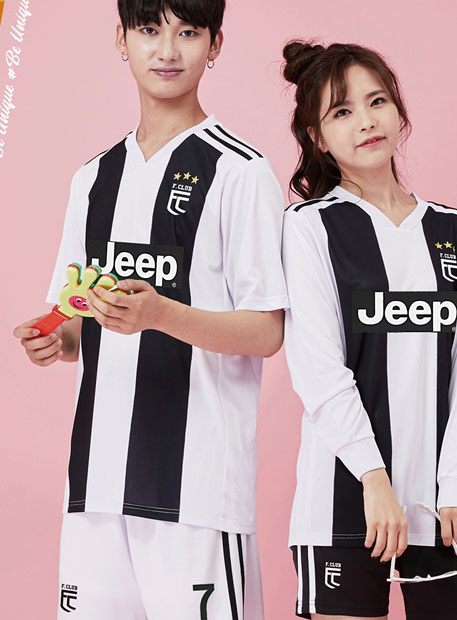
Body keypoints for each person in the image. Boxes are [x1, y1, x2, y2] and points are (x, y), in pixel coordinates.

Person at [12, 1, 288, 618]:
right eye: (149, 30)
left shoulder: (239, 172)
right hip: (96, 485)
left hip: (196, 493)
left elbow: (267, 330)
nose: (167, 50)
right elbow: (79, 315)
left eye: (188, 32)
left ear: (215, 45)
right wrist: (55, 338)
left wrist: (162, 315)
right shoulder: (93, 178)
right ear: (121, 39)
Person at [281, 40, 457, 620]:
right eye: (342, 111)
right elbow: (319, 371)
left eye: (376, 101)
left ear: (399, 110)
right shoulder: (308, 228)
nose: (366, 121)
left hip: (444, 504)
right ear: (316, 137)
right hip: (344, 498)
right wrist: (374, 480)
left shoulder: (453, 231)